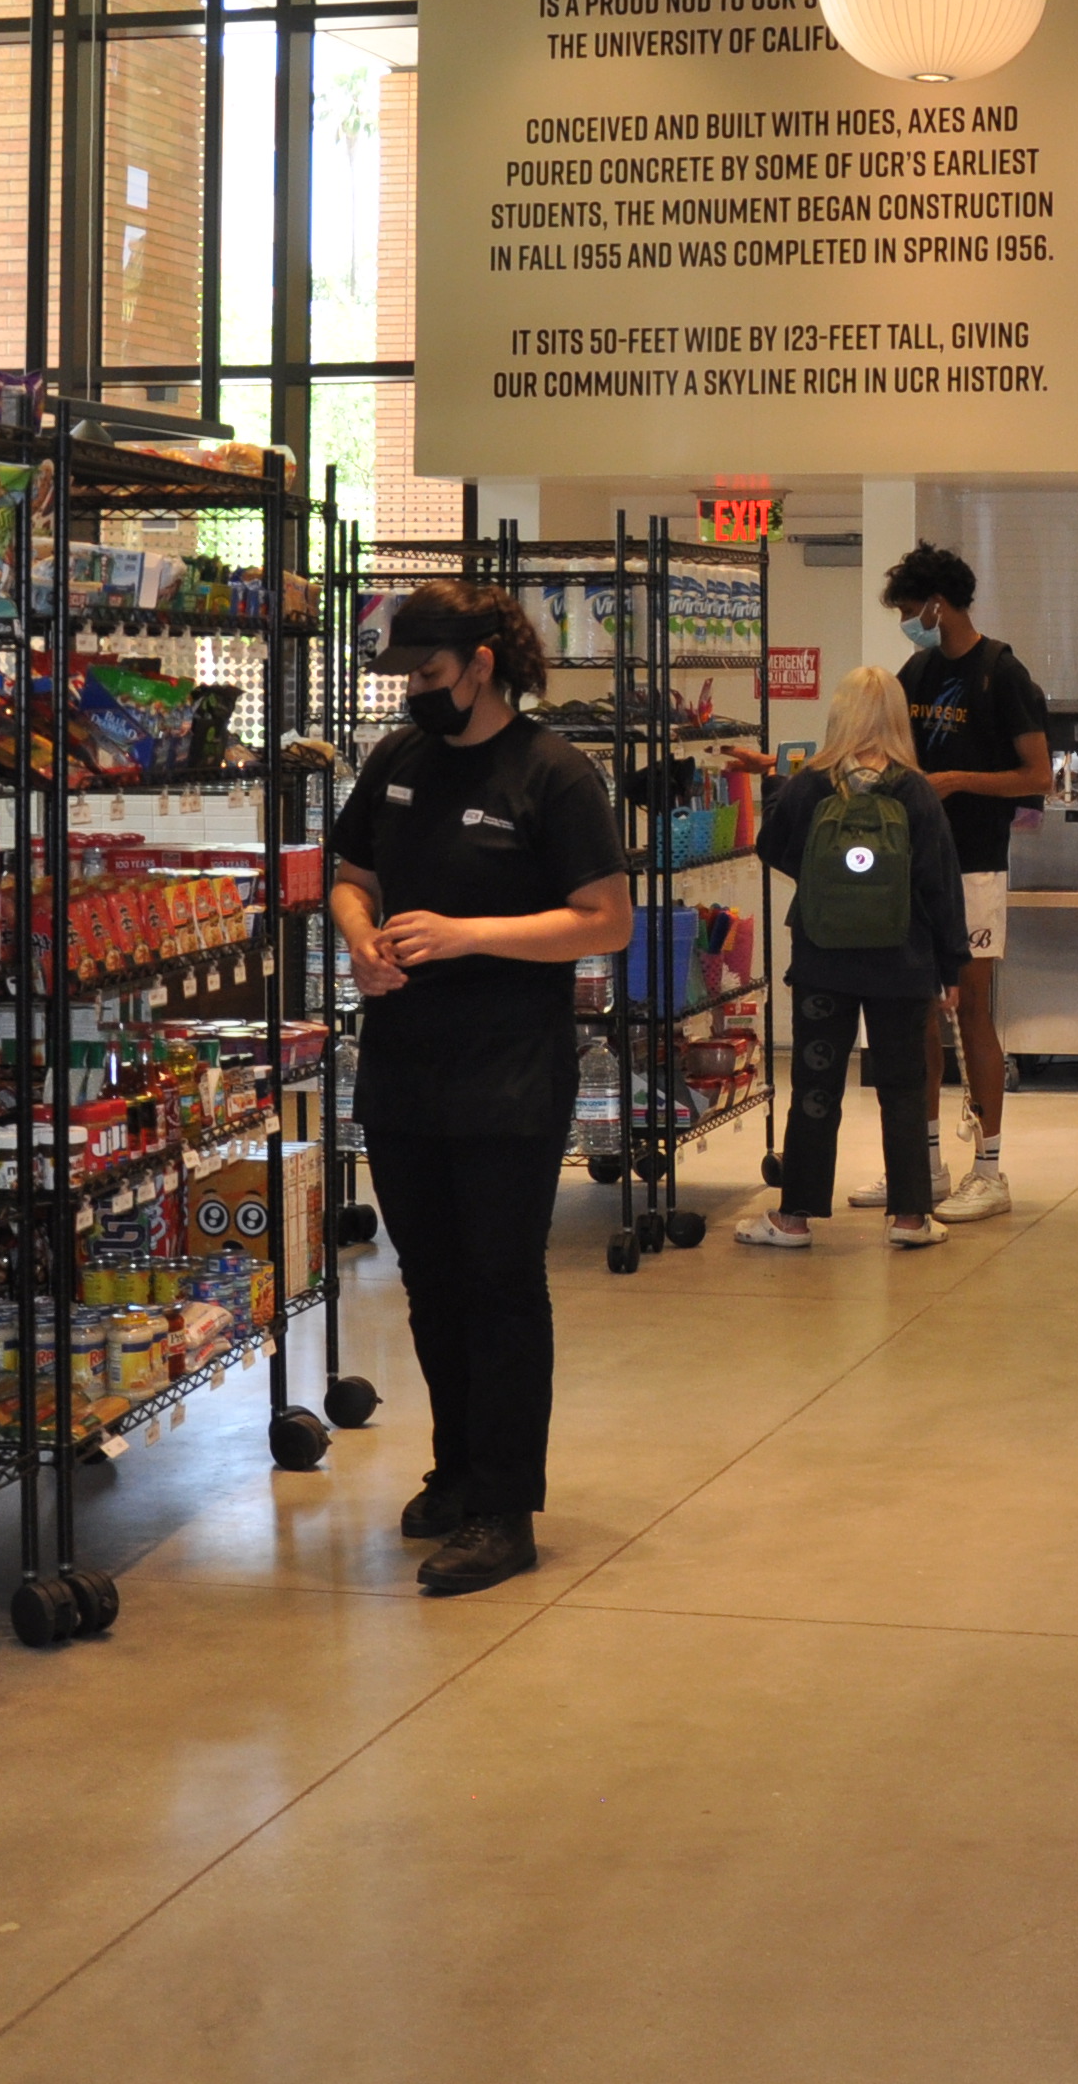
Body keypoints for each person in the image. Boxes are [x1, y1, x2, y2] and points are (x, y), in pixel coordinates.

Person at [327, 580, 630, 1597]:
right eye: (404, 676)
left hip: (509, 1071)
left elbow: (606, 919)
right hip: (402, 1064)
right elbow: (350, 874)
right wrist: (361, 940)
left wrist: (467, 935)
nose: (414, 690)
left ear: (483, 664)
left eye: (430, 673)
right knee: (429, 1281)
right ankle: (456, 1471)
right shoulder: (396, 761)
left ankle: (505, 1508)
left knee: (500, 1284)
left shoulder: (554, 774)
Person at [736, 667, 968, 1250]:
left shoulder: (810, 785)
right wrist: (951, 967)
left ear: (840, 714)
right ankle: (910, 1218)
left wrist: (822, 879)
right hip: (902, 966)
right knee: (903, 1087)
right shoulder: (916, 792)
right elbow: (941, 884)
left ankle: (794, 1219)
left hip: (823, 963)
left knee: (816, 1087)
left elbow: (772, 846)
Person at [881, 542, 1049, 1221]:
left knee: (971, 1007)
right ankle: (922, 1167)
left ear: (936, 605)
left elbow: (1037, 776)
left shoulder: (1000, 673)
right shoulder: (916, 671)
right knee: (918, 1011)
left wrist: (957, 781)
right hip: (914, 863)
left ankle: (989, 1171)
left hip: (975, 864)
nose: (906, 623)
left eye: (908, 610)